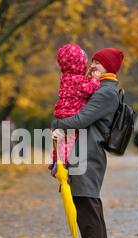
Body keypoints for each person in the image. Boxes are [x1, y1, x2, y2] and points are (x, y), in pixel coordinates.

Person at [52, 47, 124, 238]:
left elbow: (82, 119)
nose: (92, 66)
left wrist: (56, 122)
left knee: (87, 213)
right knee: (92, 211)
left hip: (87, 156)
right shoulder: (103, 89)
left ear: (109, 68)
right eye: (92, 62)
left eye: (98, 64)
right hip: (85, 154)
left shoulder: (105, 92)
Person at [50, 44, 101, 173]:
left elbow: (80, 87)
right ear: (79, 64)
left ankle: (55, 159)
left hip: (62, 112)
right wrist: (95, 79)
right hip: (72, 114)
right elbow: (90, 89)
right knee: (70, 142)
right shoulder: (78, 80)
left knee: (61, 141)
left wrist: (88, 77)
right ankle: (63, 163)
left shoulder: (66, 78)